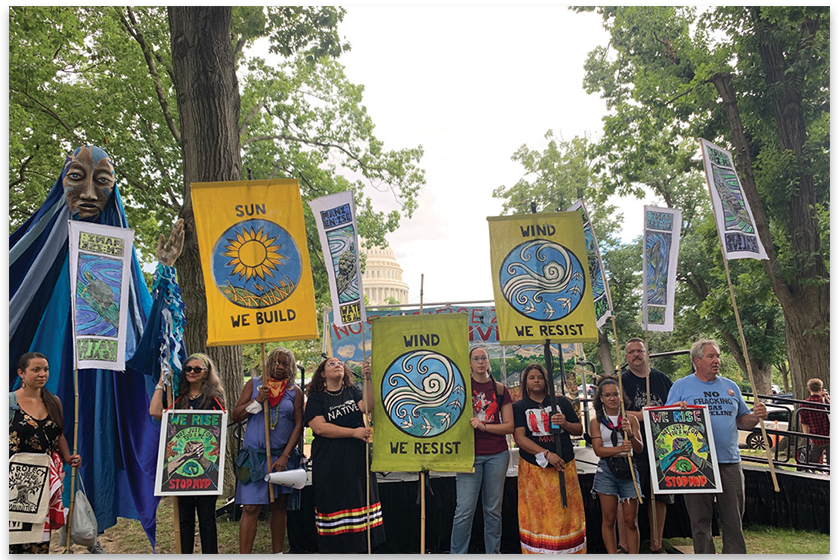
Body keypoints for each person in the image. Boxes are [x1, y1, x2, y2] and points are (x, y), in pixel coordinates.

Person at [9, 145, 184, 545]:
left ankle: (86, 530)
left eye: (102, 182)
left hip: (101, 368)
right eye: (77, 178)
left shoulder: (117, 263)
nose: (89, 193)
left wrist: (166, 271)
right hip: (49, 361)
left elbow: (149, 330)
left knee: (90, 436)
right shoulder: (30, 260)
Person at [666, 339, 767, 554]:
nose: (716, 361)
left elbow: (742, 420)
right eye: (711, 356)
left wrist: (755, 416)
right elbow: (666, 421)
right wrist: (677, 409)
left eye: (718, 356)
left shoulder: (730, 387)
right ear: (697, 361)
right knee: (700, 520)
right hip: (695, 464)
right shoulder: (681, 386)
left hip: (729, 461)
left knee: (733, 519)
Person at [304, 357, 384, 553]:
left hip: (356, 458)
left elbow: (368, 406)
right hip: (330, 460)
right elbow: (320, 428)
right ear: (323, 374)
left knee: (359, 498)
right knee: (334, 501)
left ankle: (362, 547)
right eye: (331, 364)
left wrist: (367, 379)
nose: (337, 365)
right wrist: (353, 432)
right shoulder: (316, 398)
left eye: (340, 363)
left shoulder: (352, 391)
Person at [150, 353, 225, 554]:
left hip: (207, 471)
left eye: (197, 369)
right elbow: (155, 412)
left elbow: (220, 426)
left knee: (207, 519)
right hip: (181, 473)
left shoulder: (214, 399)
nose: (192, 372)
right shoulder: (178, 397)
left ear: (206, 373)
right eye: (188, 369)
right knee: (184, 519)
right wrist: (161, 381)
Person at [231, 347, 304, 554]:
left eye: (285, 363)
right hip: (255, 458)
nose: (280, 367)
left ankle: (277, 554)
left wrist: (285, 456)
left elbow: (298, 425)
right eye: (276, 362)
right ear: (269, 363)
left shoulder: (295, 391)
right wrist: (256, 401)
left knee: (279, 506)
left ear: (291, 367)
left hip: (281, 458)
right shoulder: (254, 385)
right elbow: (236, 415)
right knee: (250, 507)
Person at [9, 353, 82, 553]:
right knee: (12, 537)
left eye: (46, 369)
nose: (42, 374)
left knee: (39, 538)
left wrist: (68, 457)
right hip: (13, 480)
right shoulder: (8, 403)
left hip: (43, 481)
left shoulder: (54, 401)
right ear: (21, 373)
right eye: (36, 370)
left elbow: (58, 435)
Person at [512, 363, 586, 554]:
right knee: (539, 513)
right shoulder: (519, 407)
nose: (536, 381)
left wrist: (565, 423)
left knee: (565, 511)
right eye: (531, 378)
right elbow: (520, 438)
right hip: (535, 470)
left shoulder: (561, 402)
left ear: (546, 380)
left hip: (564, 466)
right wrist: (546, 454)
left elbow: (579, 429)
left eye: (540, 377)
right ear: (525, 382)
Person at [451, 346, 514, 554]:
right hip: (469, 455)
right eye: (476, 358)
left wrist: (484, 426)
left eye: (484, 358)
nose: (480, 362)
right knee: (464, 511)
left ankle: (493, 553)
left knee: (493, 511)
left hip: (497, 454)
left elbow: (509, 426)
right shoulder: (461, 388)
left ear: (489, 361)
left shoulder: (500, 390)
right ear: (469, 363)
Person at [620, 338, 674, 553]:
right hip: (633, 446)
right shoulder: (621, 381)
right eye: (631, 352)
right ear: (626, 357)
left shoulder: (662, 379)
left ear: (647, 354)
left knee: (659, 497)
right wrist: (643, 415)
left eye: (640, 351)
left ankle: (656, 544)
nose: (636, 355)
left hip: (662, 446)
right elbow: (614, 412)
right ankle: (625, 545)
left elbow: (673, 407)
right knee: (628, 497)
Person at [590, 377, 644, 554]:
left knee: (630, 520)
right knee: (608, 518)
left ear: (621, 397)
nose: (612, 398)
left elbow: (639, 448)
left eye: (615, 394)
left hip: (628, 467)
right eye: (607, 395)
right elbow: (598, 450)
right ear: (601, 399)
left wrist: (630, 434)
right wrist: (619, 448)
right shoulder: (596, 421)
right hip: (606, 469)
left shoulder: (630, 419)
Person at [799, 378, 830, 464]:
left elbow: (804, 423)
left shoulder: (804, 404)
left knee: (812, 463)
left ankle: (811, 471)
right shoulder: (827, 401)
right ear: (820, 389)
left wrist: (807, 436)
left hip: (816, 438)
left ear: (808, 389)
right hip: (829, 436)